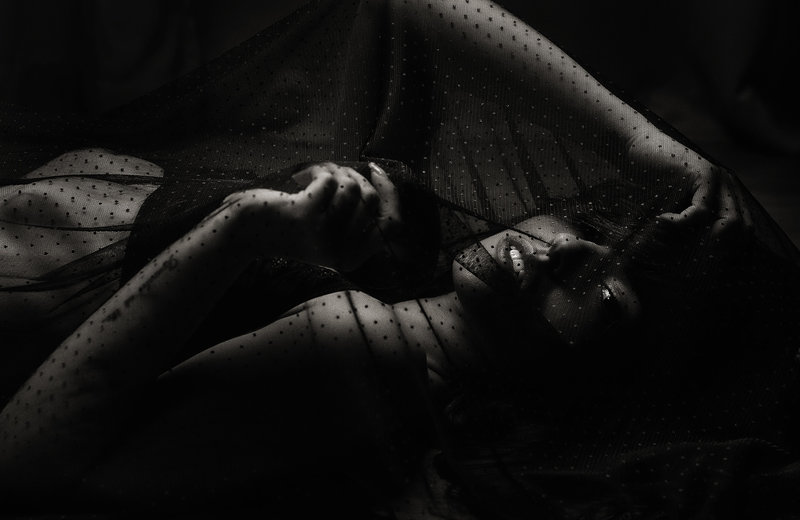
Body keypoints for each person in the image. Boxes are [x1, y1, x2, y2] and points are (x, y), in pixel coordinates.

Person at [0, 0, 798, 518]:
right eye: (594, 228)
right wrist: (641, 144)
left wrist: (240, 228)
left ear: (589, 389)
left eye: (608, 296)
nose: (569, 251)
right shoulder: (404, 255)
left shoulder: (371, 342)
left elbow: (22, 462)